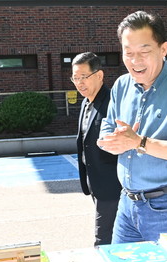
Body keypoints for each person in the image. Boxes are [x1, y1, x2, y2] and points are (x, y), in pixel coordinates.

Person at [98, 10, 167, 244]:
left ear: (164, 49)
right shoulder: (121, 85)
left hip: (166, 207)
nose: (135, 61)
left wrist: (139, 142)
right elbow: (107, 127)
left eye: (144, 52)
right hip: (126, 203)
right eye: (128, 53)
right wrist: (110, 141)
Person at [71, 52, 122, 246]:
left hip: (113, 186)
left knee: (103, 240)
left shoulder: (112, 102)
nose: (79, 83)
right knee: (112, 237)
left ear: (99, 75)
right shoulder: (85, 103)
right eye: (75, 78)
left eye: (84, 77)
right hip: (95, 183)